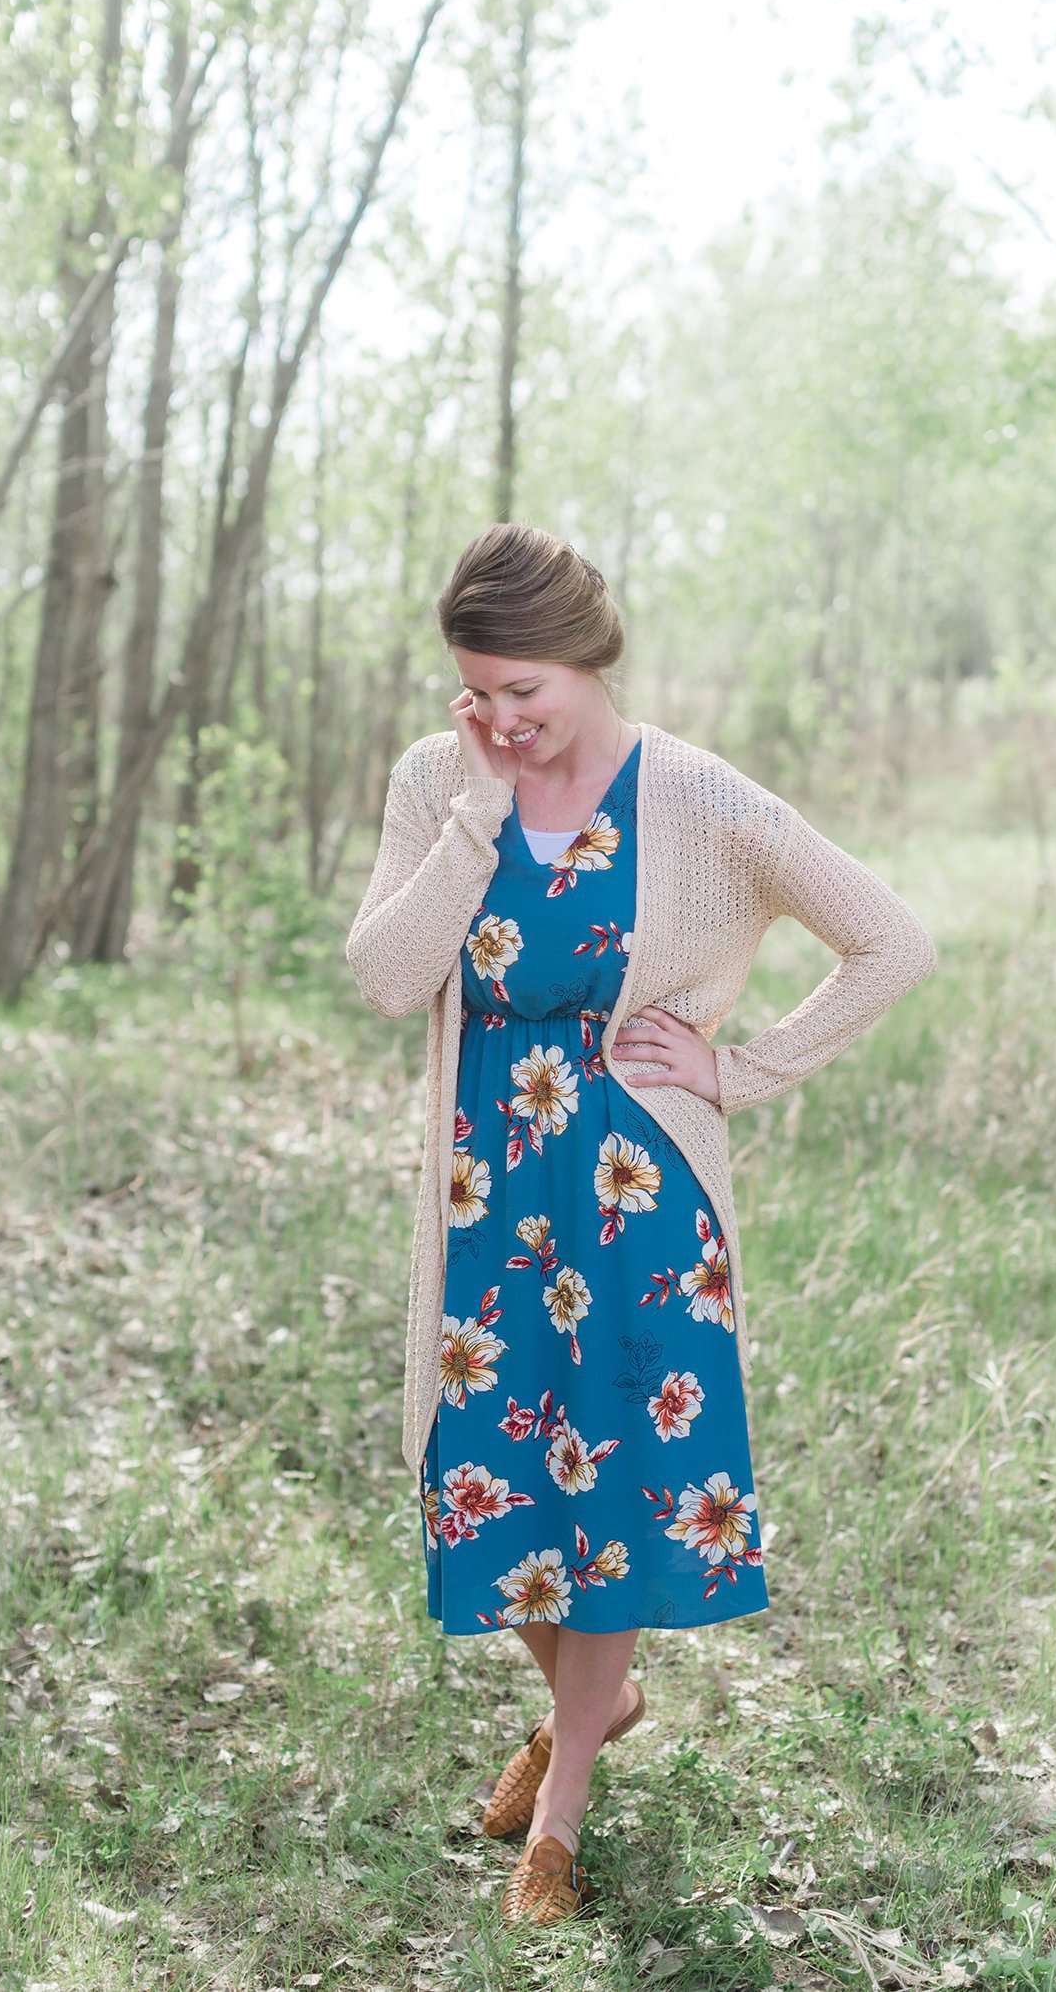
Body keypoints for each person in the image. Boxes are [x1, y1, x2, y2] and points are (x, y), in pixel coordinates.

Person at [345, 523, 938, 1925]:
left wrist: (746, 1067)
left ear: (592, 665)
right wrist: (481, 809)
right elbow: (385, 976)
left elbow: (892, 939)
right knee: (483, 1467)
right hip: (486, 1196)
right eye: (478, 691)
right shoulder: (439, 780)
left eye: (525, 696)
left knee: (605, 1487)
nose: (499, 718)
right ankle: (590, 1707)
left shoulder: (695, 795)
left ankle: (560, 1814)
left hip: (636, 1201)